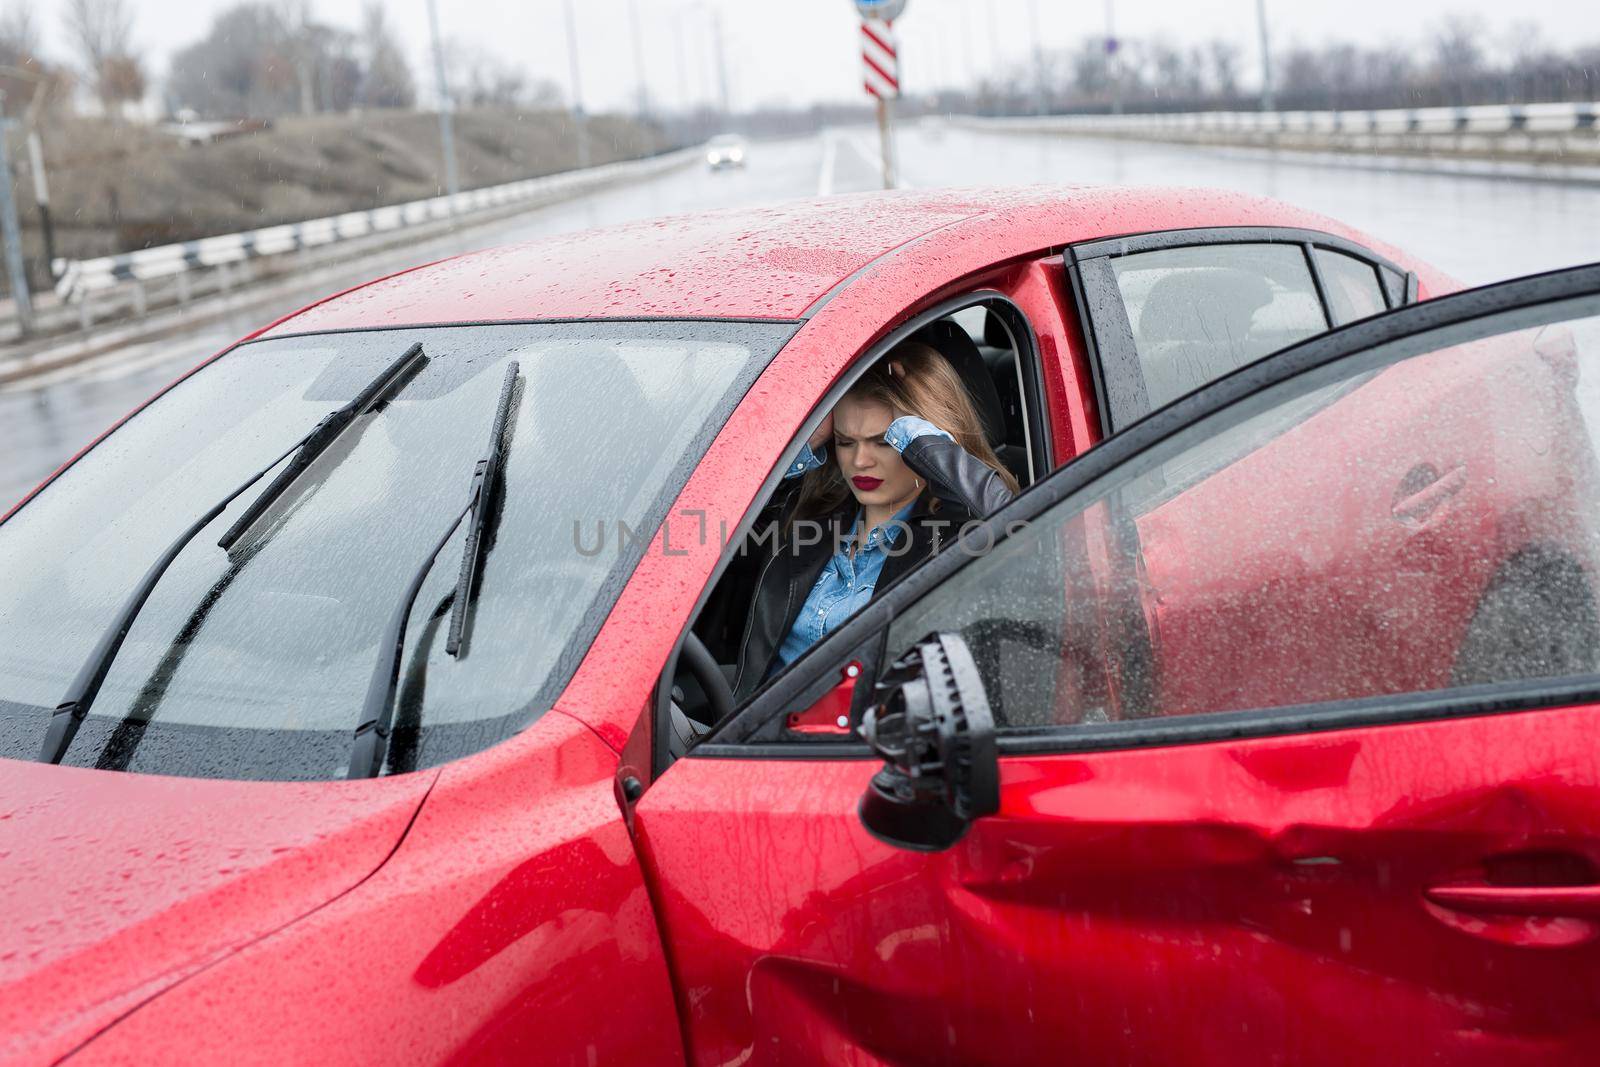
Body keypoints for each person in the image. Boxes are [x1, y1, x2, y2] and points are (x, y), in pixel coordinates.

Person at [728, 342, 1019, 702]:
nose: (860, 461)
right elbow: (722, 508)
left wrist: (911, 427)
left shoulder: (949, 536)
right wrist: (806, 439)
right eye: (845, 442)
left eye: (883, 442)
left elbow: (1001, 520)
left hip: (869, 749)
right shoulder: (809, 517)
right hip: (749, 741)